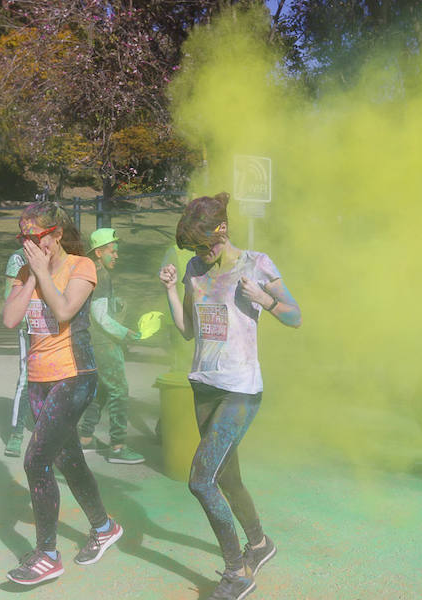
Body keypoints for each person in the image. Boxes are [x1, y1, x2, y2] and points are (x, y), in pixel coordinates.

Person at [159, 192, 301, 600]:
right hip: (204, 384)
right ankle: (259, 544)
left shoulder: (257, 264)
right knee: (226, 476)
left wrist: (265, 300)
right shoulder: (193, 268)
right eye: (196, 248)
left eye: (206, 245)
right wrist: (172, 291)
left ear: (223, 231)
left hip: (240, 390)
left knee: (201, 481)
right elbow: (188, 329)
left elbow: (296, 317)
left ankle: (236, 573)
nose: (203, 254)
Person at [2, 201, 122, 586]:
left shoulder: (81, 266)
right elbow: (10, 319)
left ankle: (48, 554)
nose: (28, 244)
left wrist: (42, 272)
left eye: (34, 237)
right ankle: (104, 527)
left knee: (36, 461)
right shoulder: (26, 269)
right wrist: (34, 275)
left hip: (75, 376)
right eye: (23, 237)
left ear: (54, 234)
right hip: (39, 380)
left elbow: (66, 310)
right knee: (68, 460)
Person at [78, 228, 145, 464]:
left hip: (91, 342)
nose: (116, 256)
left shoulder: (91, 271)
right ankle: (118, 446)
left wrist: (114, 303)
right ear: (98, 252)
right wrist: (127, 334)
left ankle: (85, 438)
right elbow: (101, 318)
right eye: (112, 251)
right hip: (105, 342)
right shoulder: (102, 275)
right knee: (119, 391)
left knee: (102, 390)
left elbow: (97, 308)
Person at [3, 248, 31, 458]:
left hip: (53, 323)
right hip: (28, 325)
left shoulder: (60, 252)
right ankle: (17, 432)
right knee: (26, 378)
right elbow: (9, 296)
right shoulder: (19, 257)